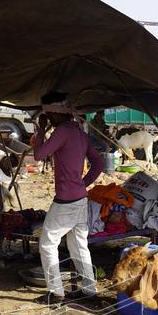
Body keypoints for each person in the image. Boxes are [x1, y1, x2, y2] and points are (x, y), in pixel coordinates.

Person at [31, 91, 104, 304]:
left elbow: (38, 155)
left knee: (47, 243)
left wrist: (42, 129)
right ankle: (90, 291)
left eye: (49, 116)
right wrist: (83, 183)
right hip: (80, 197)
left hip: (66, 200)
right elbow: (98, 163)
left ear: (54, 113)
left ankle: (56, 292)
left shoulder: (62, 131)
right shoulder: (79, 132)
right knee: (79, 245)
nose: (49, 120)